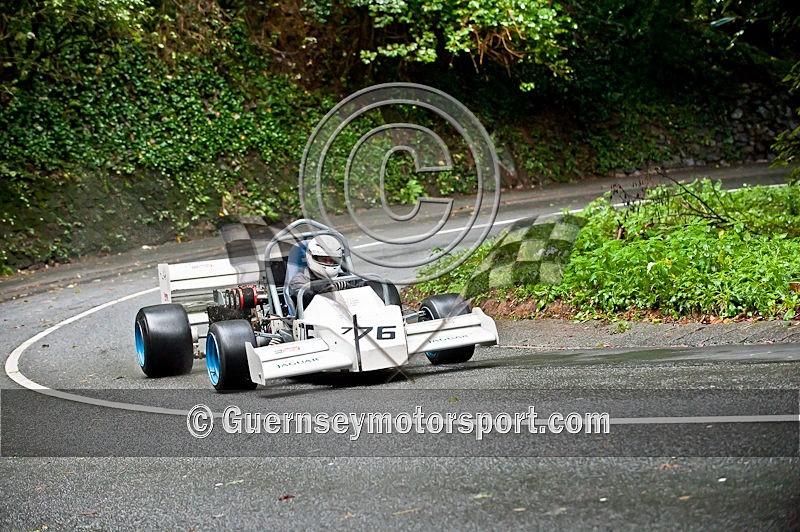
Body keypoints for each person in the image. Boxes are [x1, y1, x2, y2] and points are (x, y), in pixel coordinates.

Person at [286, 235, 363, 309]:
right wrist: (329, 289)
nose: (329, 263)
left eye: (332, 260)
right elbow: (306, 296)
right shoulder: (299, 281)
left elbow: (365, 290)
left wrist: (351, 288)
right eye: (324, 259)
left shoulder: (347, 278)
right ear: (312, 257)